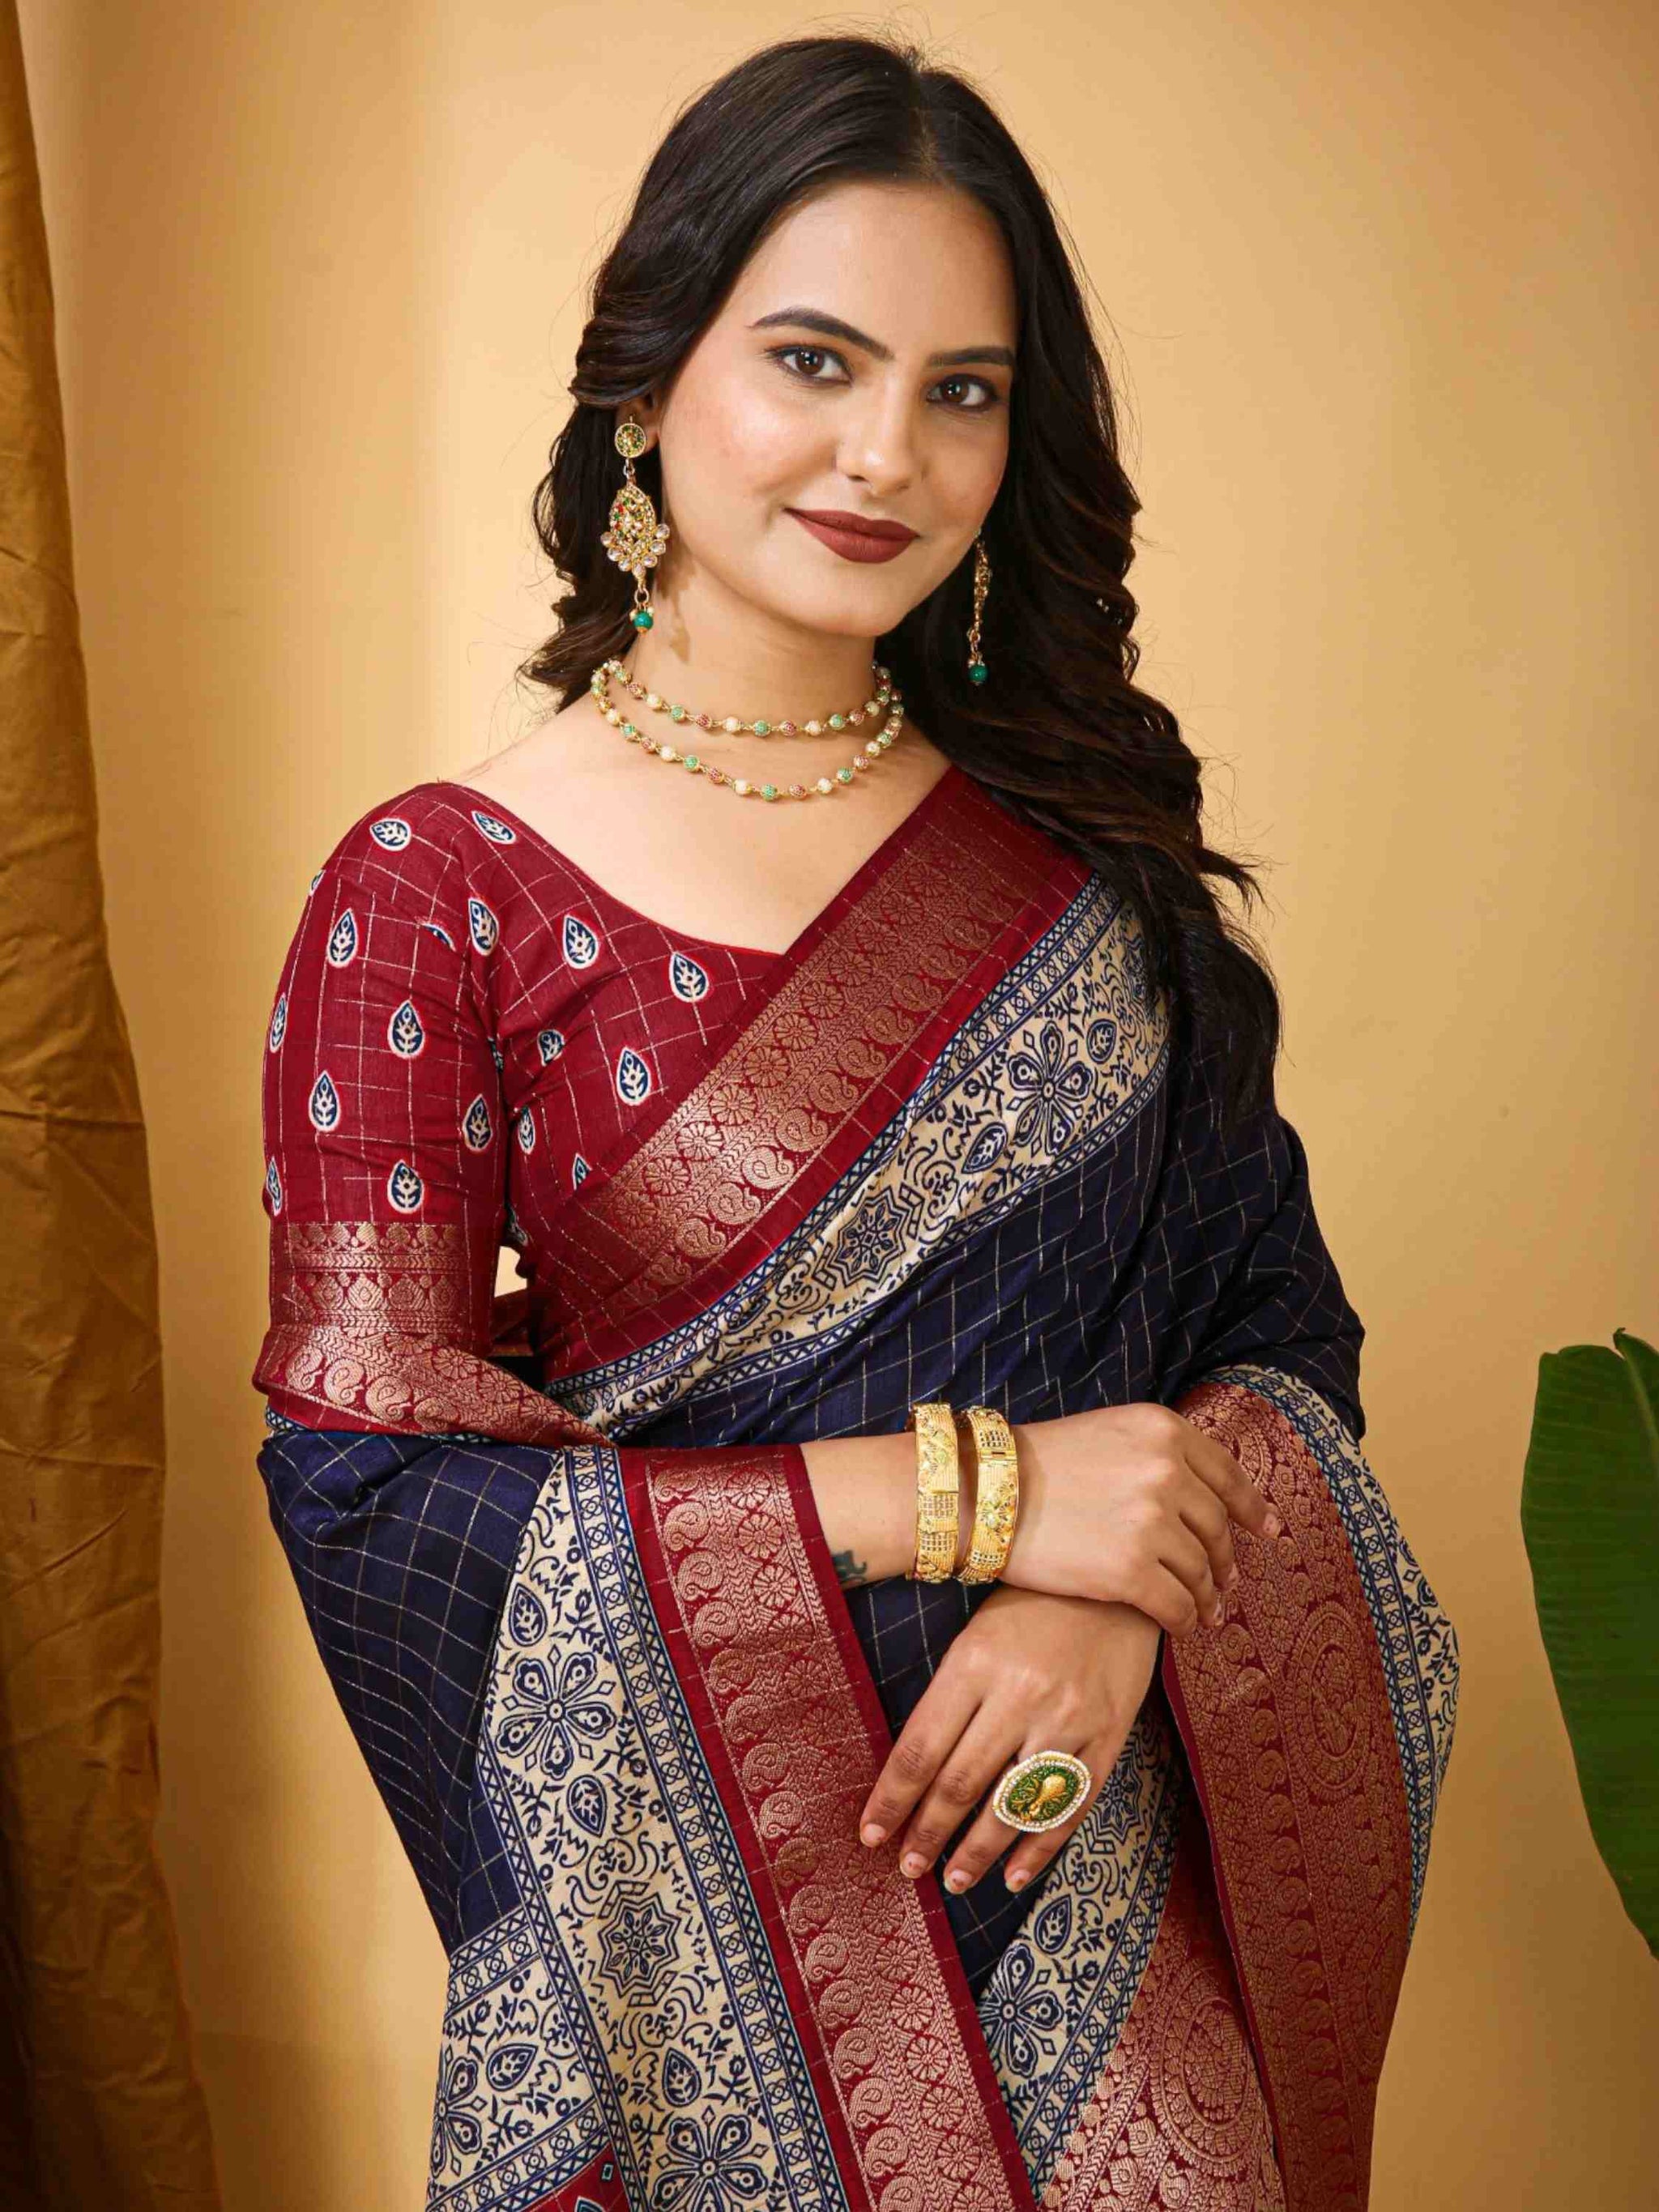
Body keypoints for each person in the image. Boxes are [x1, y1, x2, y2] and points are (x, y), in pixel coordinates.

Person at [254, 32, 1458, 2212]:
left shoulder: (1086, 864)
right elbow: (369, 1490)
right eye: (814, 360)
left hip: (1113, 1934)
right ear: (645, 381)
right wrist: (985, 1498)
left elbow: (1278, 1336)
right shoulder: (435, 893)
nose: (887, 453)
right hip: (699, 1956)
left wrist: (1118, 1604)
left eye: (962, 390)